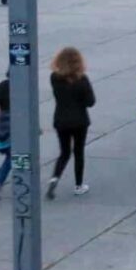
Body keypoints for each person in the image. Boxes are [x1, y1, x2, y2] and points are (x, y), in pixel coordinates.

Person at [46, 47, 96, 198]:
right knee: (79, 152)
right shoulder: (82, 80)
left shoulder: (54, 78)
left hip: (61, 119)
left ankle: (55, 177)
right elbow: (91, 102)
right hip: (80, 121)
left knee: (64, 152)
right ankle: (78, 185)